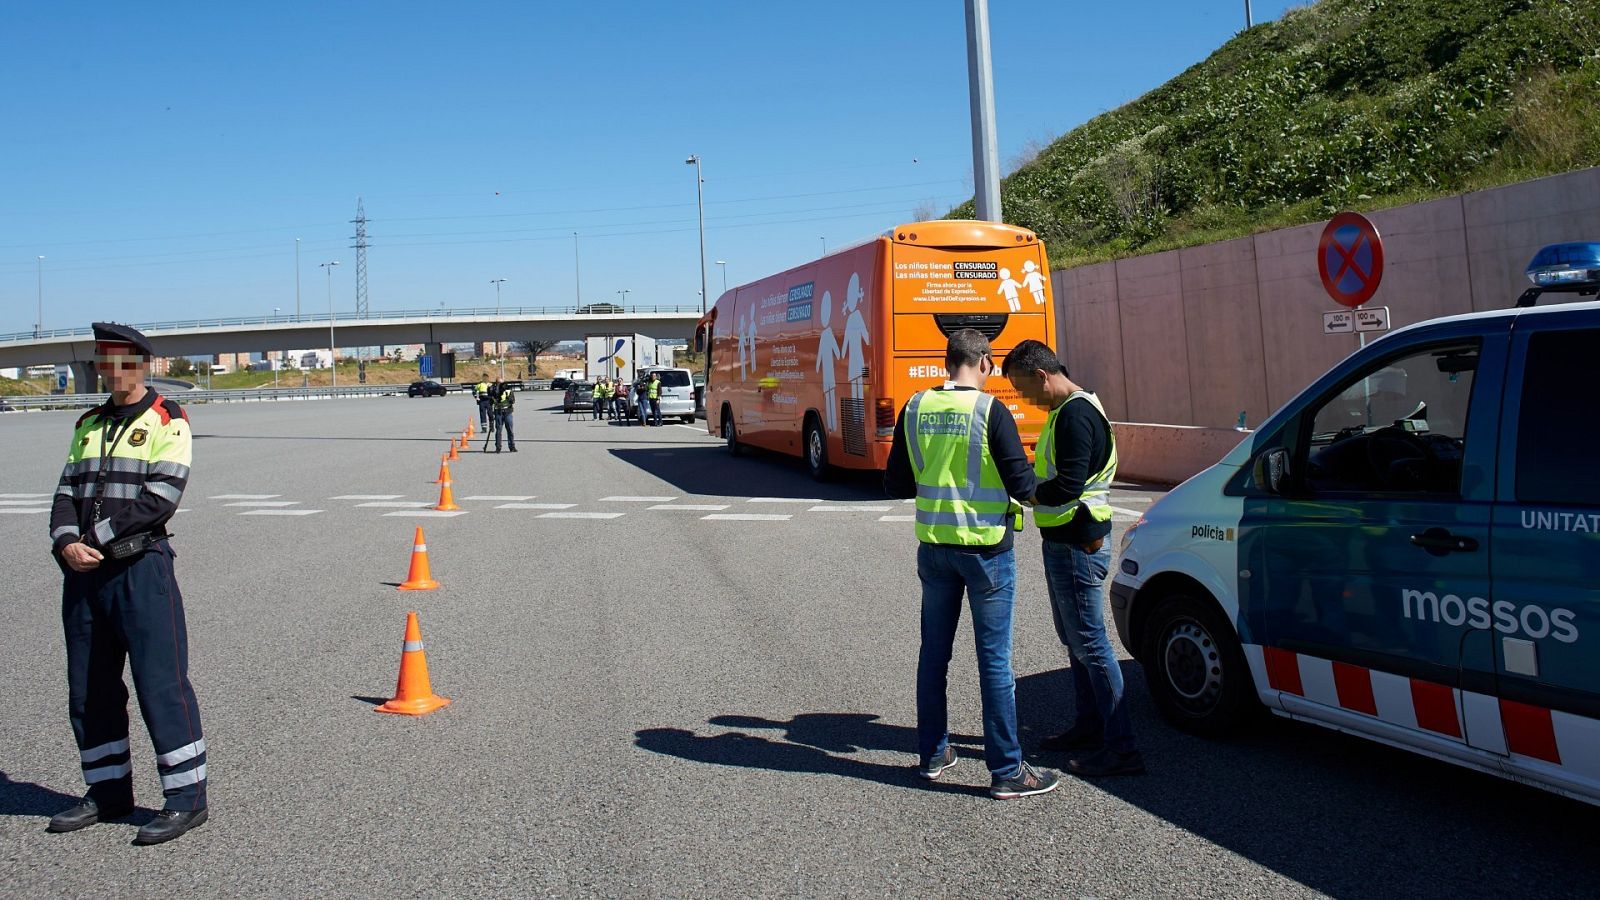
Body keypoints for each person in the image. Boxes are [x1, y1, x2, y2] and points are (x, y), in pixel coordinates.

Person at [46, 322, 209, 844]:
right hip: (85, 576)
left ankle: (186, 799)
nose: (106, 368)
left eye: (116, 359)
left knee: (161, 685)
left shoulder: (168, 418)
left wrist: (93, 538)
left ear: (140, 363)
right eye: (100, 359)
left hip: (140, 570)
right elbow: (65, 491)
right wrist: (66, 542)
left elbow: (160, 497)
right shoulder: (88, 422)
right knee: (90, 690)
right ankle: (108, 792)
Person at [884, 328, 1059, 800]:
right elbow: (1023, 486)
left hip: (935, 550)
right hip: (987, 552)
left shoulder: (915, 407)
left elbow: (896, 481)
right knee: (994, 662)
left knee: (933, 657)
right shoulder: (989, 410)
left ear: (947, 361)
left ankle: (933, 753)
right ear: (985, 362)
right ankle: (1006, 770)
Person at [1002, 339, 1143, 777]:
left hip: (1079, 543)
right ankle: (1089, 726)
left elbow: (1068, 484)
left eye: (1024, 389)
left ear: (1042, 376)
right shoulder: (1067, 412)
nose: (1025, 399)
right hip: (1068, 541)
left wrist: (1027, 492)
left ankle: (1121, 748)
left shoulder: (1076, 414)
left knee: (1091, 643)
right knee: (1076, 639)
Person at [492, 379, 517, 452]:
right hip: (498, 412)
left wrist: (509, 398)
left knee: (510, 430)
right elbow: (491, 401)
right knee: (499, 430)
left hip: (507, 412)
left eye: (502, 383)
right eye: (498, 383)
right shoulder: (494, 392)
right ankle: (498, 447)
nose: (500, 385)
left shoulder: (508, 391)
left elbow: (513, 401)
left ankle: (512, 446)